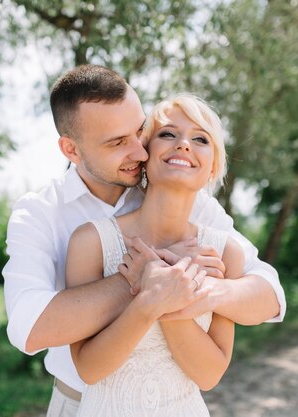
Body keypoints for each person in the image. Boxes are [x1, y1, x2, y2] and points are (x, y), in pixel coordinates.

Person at [2, 65, 286, 417]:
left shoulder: (190, 200)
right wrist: (152, 276)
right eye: (118, 142)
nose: (139, 151)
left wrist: (198, 287)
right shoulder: (42, 213)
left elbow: (269, 294)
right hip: (81, 403)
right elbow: (30, 328)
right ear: (71, 150)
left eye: (140, 132)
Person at [66, 93, 240, 417]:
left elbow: (209, 375)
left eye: (200, 138)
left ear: (213, 165)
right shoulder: (91, 241)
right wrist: (149, 302)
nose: (184, 144)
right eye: (168, 134)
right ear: (145, 153)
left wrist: (162, 290)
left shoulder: (224, 252)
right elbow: (89, 369)